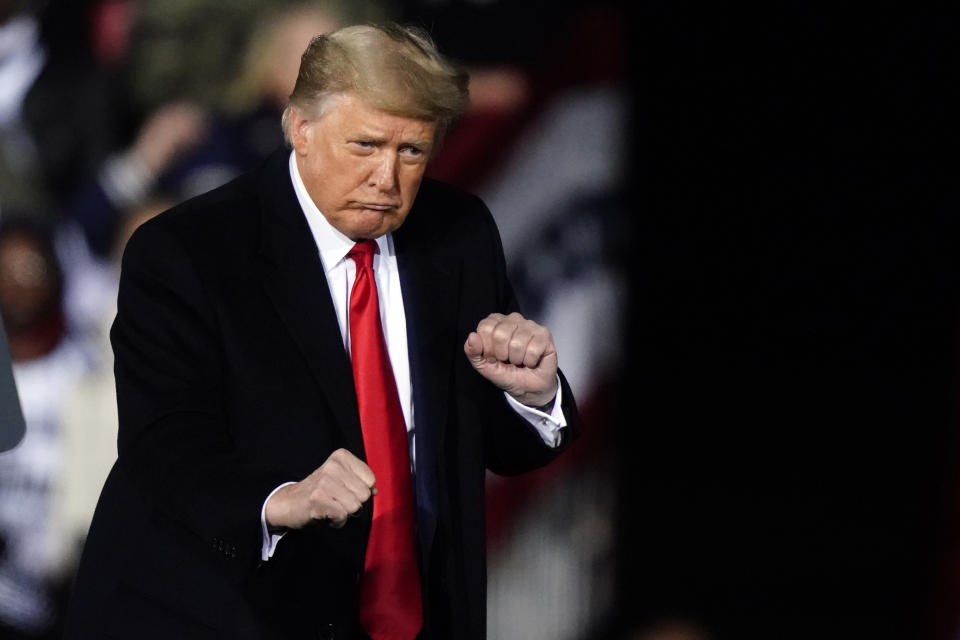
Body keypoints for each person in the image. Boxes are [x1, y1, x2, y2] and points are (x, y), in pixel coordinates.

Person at [64, 23, 580, 640]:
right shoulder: (189, 252)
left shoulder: (458, 236)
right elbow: (165, 447)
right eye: (365, 145)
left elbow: (477, 444)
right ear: (300, 128)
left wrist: (531, 395)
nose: (387, 179)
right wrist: (279, 500)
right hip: (224, 613)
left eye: (411, 151)